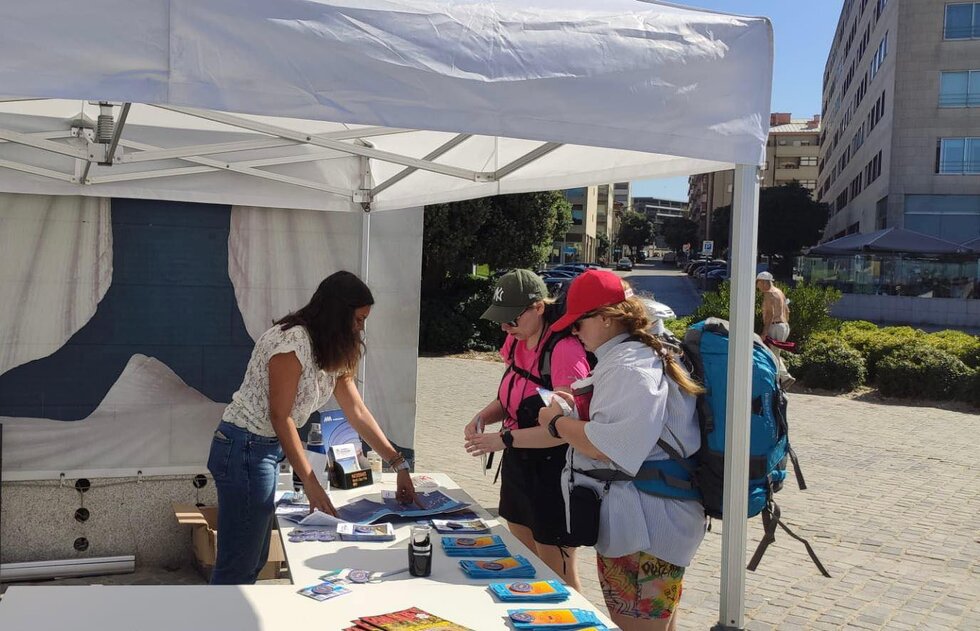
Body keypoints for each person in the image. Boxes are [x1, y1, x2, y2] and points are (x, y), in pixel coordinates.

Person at [207, 271, 417, 585]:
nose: (360, 328)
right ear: (337, 313)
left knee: (252, 561)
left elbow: (357, 411)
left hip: (262, 448)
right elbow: (281, 417)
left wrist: (398, 463)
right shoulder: (291, 342)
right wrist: (310, 483)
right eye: (358, 319)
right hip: (243, 447)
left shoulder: (332, 346)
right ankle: (220, 610)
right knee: (238, 567)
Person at [537, 269, 706, 631]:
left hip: (643, 529)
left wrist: (556, 423)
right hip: (649, 524)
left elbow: (609, 446)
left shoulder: (630, 366)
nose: (574, 332)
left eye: (578, 323)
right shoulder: (637, 355)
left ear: (606, 318)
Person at [463, 269, 590, 591]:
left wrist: (503, 439)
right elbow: (512, 396)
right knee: (525, 562)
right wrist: (483, 417)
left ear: (538, 307)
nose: (505, 328)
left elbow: (565, 429)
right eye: (501, 320)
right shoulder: (516, 341)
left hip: (554, 471)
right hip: (518, 464)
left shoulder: (565, 350)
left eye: (512, 319)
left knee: (558, 573)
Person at [756, 271, 794, 388]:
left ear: (763, 282)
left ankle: (780, 379)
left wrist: (764, 332)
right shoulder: (779, 292)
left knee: (772, 355)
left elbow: (770, 314)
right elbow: (787, 310)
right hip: (784, 325)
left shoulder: (769, 294)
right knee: (775, 353)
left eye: (758, 283)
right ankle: (784, 377)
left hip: (775, 326)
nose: (757, 286)